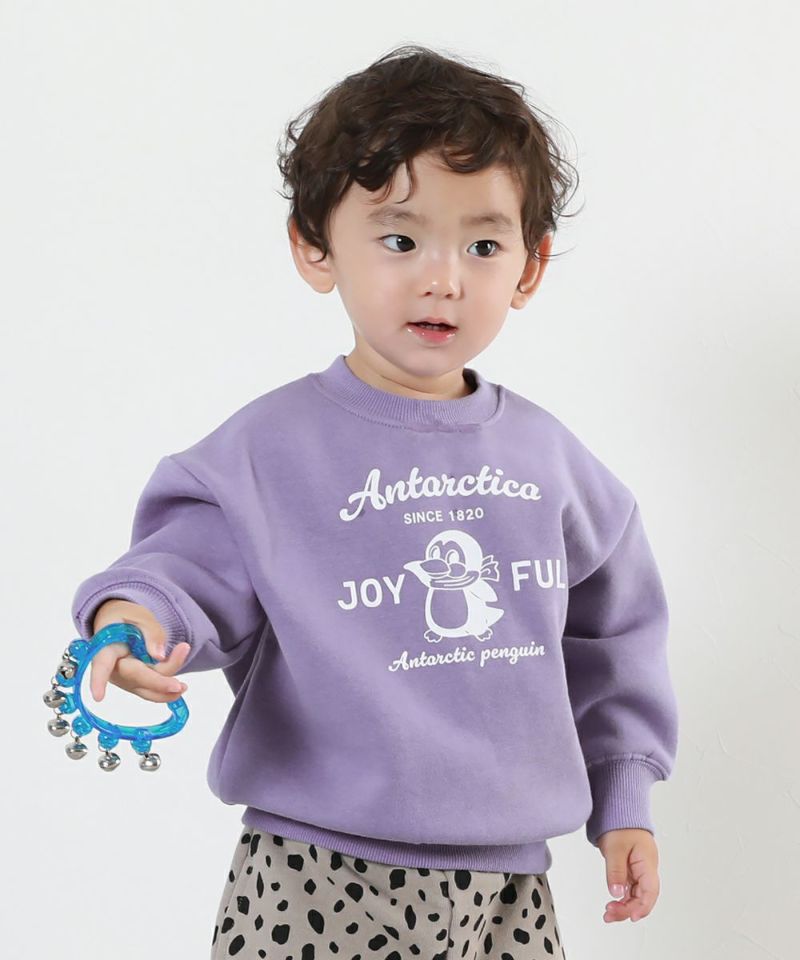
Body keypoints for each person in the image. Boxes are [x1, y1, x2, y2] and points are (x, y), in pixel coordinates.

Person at [71, 43, 679, 960]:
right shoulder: (271, 451)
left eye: (483, 246)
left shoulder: (555, 464)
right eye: (400, 240)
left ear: (530, 267)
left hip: (510, 885)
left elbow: (614, 637)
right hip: (316, 868)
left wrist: (624, 795)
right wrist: (136, 619)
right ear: (314, 247)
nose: (444, 278)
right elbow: (187, 566)